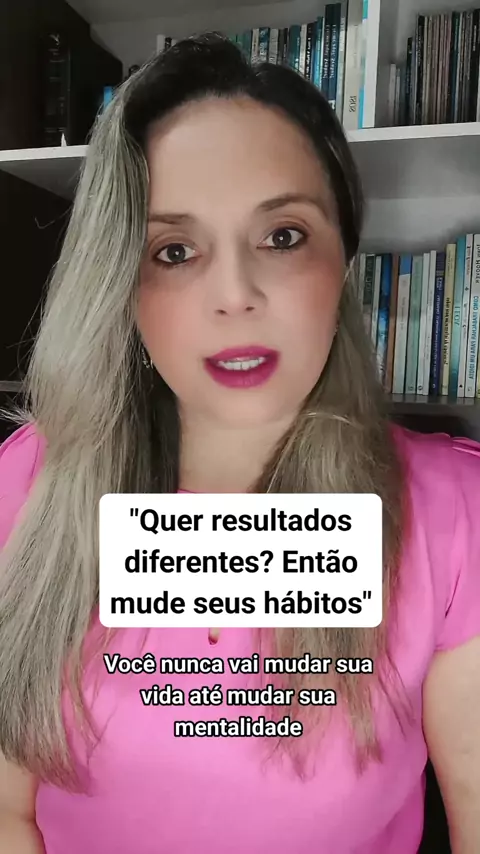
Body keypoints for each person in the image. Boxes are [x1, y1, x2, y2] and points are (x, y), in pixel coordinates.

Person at [0, 33, 479, 854]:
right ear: (120, 283)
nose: (235, 295)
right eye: (174, 251)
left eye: (282, 236)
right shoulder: (28, 481)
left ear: (343, 254)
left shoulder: (453, 513)